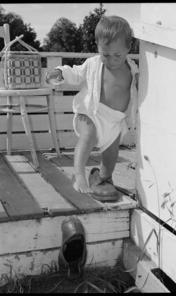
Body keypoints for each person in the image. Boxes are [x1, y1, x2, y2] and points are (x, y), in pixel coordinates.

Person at [45, 15, 139, 201]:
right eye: (105, 54)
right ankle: (78, 174)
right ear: (97, 46)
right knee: (88, 137)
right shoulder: (93, 64)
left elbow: (137, 91)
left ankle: (102, 178)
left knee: (112, 154)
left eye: (117, 55)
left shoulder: (133, 70)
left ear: (128, 47)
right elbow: (75, 73)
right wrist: (60, 73)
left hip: (114, 121)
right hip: (90, 113)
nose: (111, 59)